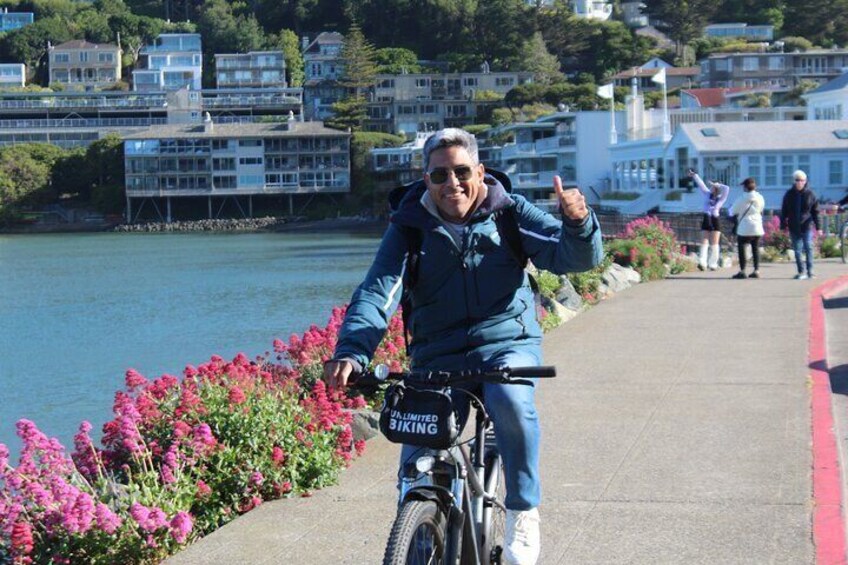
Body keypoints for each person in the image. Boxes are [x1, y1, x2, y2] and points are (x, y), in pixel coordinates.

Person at [323, 128, 604, 565]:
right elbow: (379, 291)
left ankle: (523, 511)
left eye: (461, 171)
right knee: (418, 454)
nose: (451, 183)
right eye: (439, 175)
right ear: (426, 179)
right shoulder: (408, 227)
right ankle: (418, 531)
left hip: (506, 342)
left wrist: (577, 223)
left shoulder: (510, 213)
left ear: (480, 171)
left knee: (509, 398)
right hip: (437, 353)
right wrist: (352, 351)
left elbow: (571, 257)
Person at [780, 169, 820, 280]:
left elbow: (815, 211)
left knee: (808, 248)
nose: (799, 182)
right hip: (793, 225)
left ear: (805, 181)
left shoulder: (810, 194)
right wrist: (783, 225)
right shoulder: (789, 194)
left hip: (806, 225)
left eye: (802, 180)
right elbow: (784, 211)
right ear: (794, 181)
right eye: (797, 180)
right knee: (797, 250)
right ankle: (801, 271)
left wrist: (818, 226)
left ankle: (810, 271)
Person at [689, 169, 729, 271]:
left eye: (713, 187)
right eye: (711, 186)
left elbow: (727, 189)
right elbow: (701, 184)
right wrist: (695, 175)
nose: (711, 188)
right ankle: (702, 262)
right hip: (707, 217)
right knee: (704, 240)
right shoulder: (707, 194)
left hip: (715, 218)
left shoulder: (721, 198)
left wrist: (717, 185)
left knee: (715, 242)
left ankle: (713, 264)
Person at [728, 177, 765, 279]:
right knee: (755, 248)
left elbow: (733, 211)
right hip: (757, 226)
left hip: (744, 226)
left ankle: (743, 270)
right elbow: (761, 209)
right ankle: (756, 270)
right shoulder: (760, 197)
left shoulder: (741, 198)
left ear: (745, 187)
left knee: (742, 248)